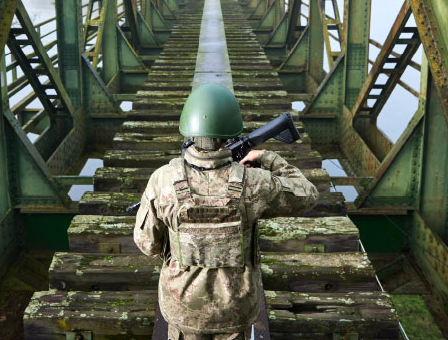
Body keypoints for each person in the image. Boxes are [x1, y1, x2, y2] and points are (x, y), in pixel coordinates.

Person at [133, 82, 319, 340]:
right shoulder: (255, 183)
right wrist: (266, 158)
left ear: (189, 131)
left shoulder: (162, 180)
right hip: (236, 311)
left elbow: (148, 246)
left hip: (182, 309)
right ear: (231, 132)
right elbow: (308, 193)